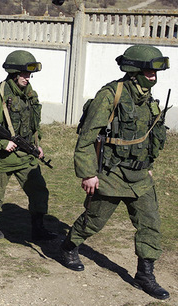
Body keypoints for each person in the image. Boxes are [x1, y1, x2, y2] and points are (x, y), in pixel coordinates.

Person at [60, 45, 170, 300]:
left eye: (155, 72)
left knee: (150, 224)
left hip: (140, 176)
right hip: (111, 174)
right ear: (134, 71)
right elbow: (86, 139)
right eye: (148, 71)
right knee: (94, 222)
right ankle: (68, 246)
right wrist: (88, 174)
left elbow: (149, 138)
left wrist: (148, 167)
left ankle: (145, 275)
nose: (153, 76)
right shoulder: (110, 95)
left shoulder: (148, 100)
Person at [0, 50, 56, 241]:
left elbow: (33, 125)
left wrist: (37, 145)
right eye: (24, 74)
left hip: (26, 155)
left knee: (39, 191)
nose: (28, 78)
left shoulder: (30, 95)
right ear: (13, 73)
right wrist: (3, 143)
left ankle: (38, 228)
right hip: (1, 158)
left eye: (30, 75)